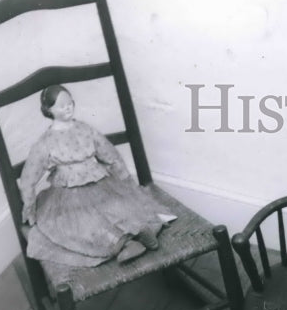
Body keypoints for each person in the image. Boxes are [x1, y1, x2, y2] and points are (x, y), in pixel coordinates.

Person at [18, 84, 175, 267]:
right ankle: (127, 243)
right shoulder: (45, 143)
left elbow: (109, 154)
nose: (68, 108)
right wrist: (29, 205)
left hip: (102, 185)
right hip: (70, 197)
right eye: (61, 106)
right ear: (48, 110)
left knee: (116, 208)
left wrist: (124, 178)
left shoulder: (85, 129)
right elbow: (29, 177)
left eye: (70, 103)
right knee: (85, 223)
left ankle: (141, 232)